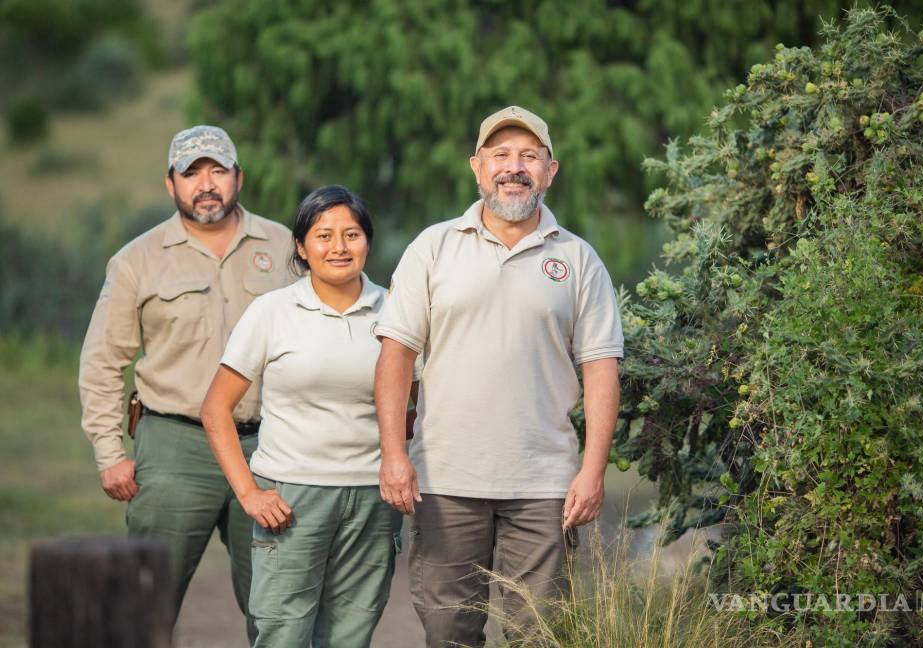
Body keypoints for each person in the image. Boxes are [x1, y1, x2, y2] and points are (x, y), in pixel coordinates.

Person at [375, 105, 624, 647]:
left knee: (539, 634)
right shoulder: (432, 248)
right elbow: (395, 356)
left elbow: (601, 368)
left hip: (544, 485)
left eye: (528, 157)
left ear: (550, 171)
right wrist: (393, 454)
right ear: (477, 166)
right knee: (449, 634)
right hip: (446, 481)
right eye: (501, 156)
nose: (515, 167)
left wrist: (593, 469)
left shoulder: (579, 260)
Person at [78, 125, 295, 640]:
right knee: (146, 604)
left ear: (238, 177)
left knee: (278, 606)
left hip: (268, 448)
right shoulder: (138, 258)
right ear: (170, 184)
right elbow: (103, 360)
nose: (206, 183)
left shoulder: (285, 245)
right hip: (176, 449)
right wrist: (110, 453)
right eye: (191, 172)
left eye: (218, 170)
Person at [200, 185, 418, 648]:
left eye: (351, 234)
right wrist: (250, 494)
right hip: (292, 500)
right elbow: (215, 409)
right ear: (301, 247)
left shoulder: (397, 311)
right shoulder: (272, 312)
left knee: (350, 635)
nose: (339, 247)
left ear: (368, 241)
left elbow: (413, 403)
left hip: (373, 500)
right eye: (324, 236)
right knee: (282, 632)